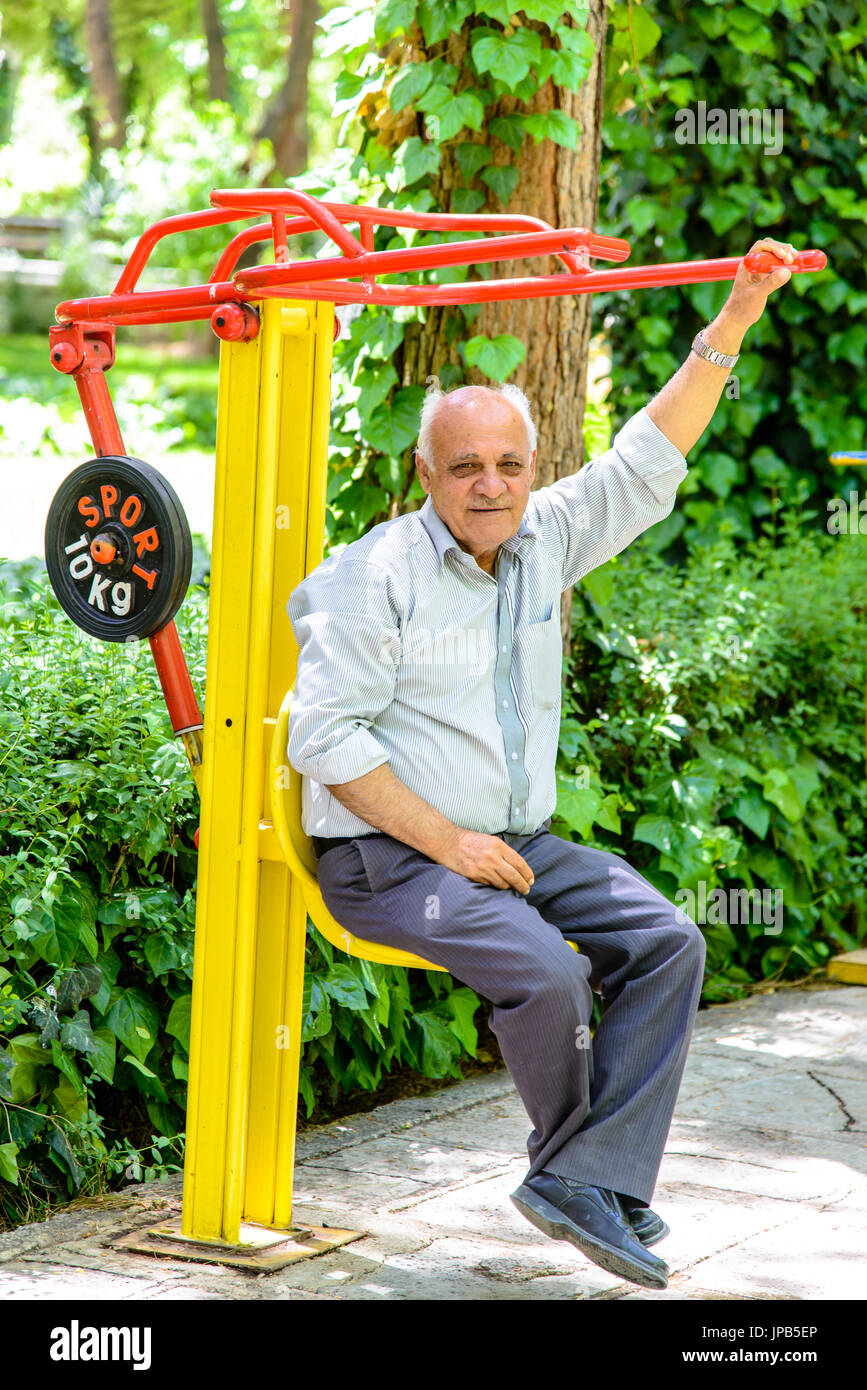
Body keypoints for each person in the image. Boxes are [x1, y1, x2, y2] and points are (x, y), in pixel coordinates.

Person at [286, 238, 797, 1290]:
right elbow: (326, 741)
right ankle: (581, 1179)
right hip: (392, 859)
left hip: (510, 843)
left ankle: (583, 1177)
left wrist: (736, 315)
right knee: (551, 972)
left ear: (532, 466)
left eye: (508, 464)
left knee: (668, 940)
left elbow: (649, 455)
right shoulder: (373, 575)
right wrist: (452, 844)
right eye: (465, 465)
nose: (490, 484)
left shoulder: (544, 538)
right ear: (425, 472)